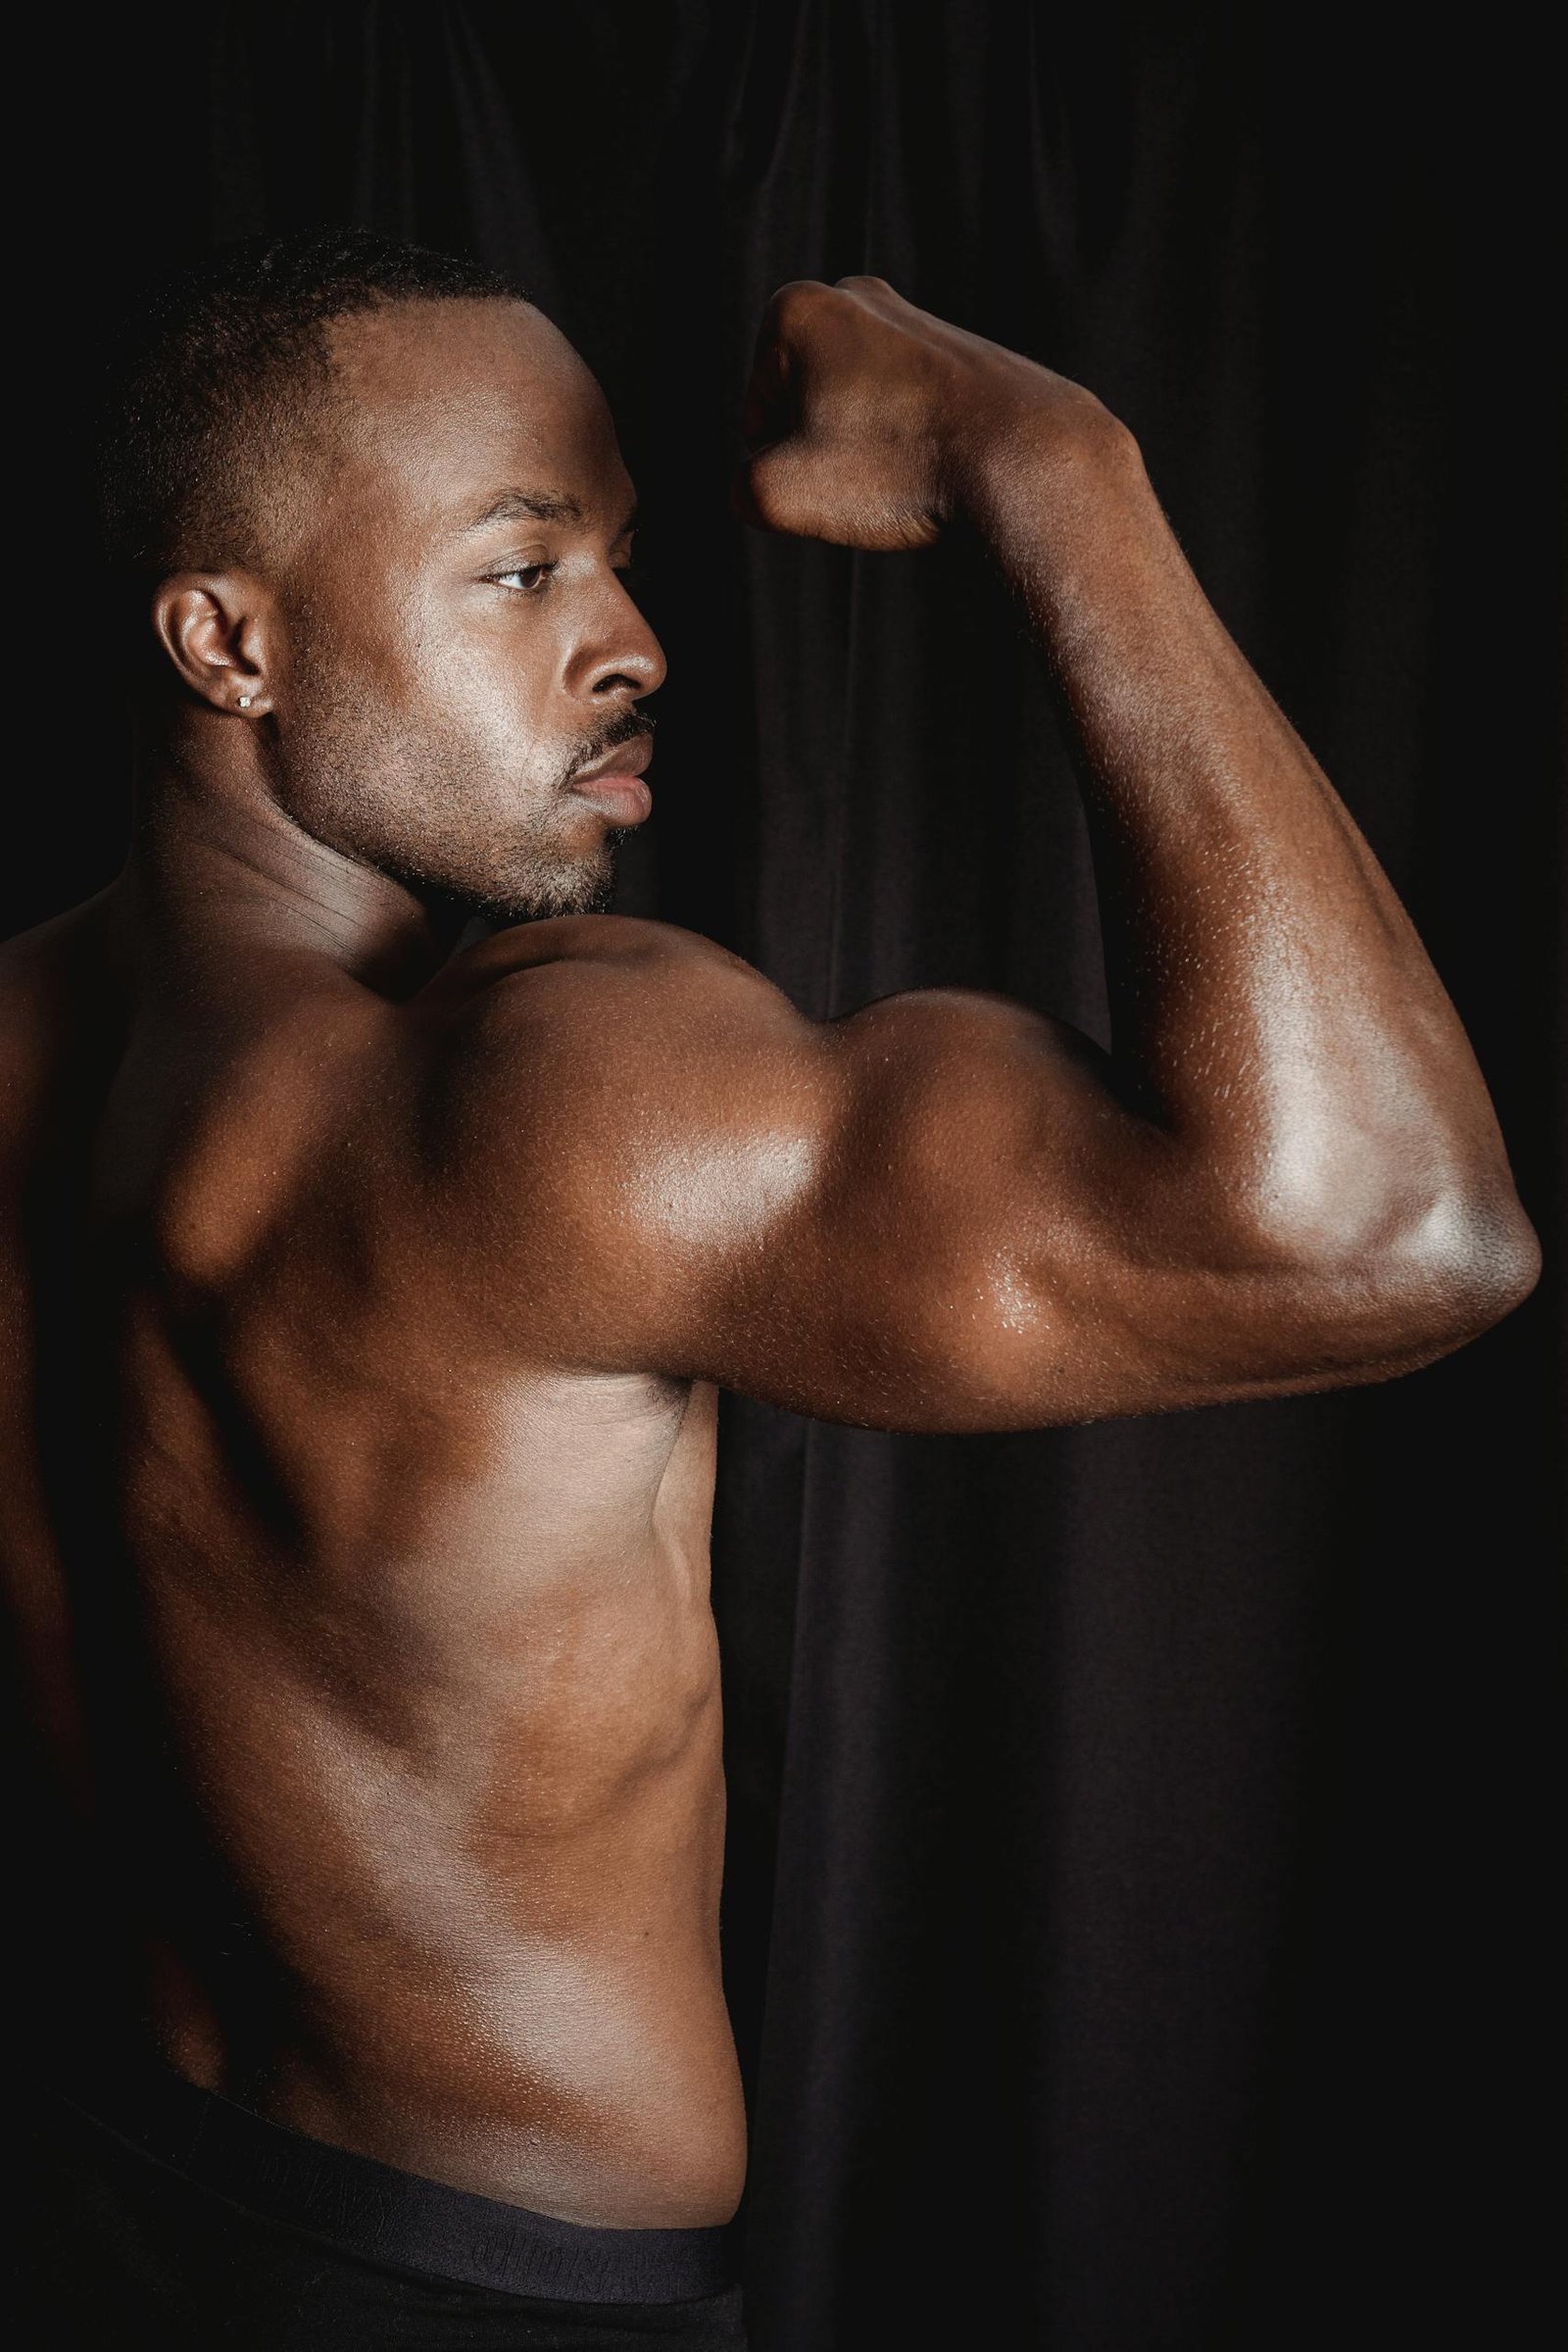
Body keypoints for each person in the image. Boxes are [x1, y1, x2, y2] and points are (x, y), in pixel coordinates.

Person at [3, 230, 1538, 2348]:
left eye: (617, 566)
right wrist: (1058, 470)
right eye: (523, 569)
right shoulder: (536, 1094)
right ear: (227, 641)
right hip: (496, 2295)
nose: (632, 644)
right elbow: (1386, 1235)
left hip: (91, 2192)